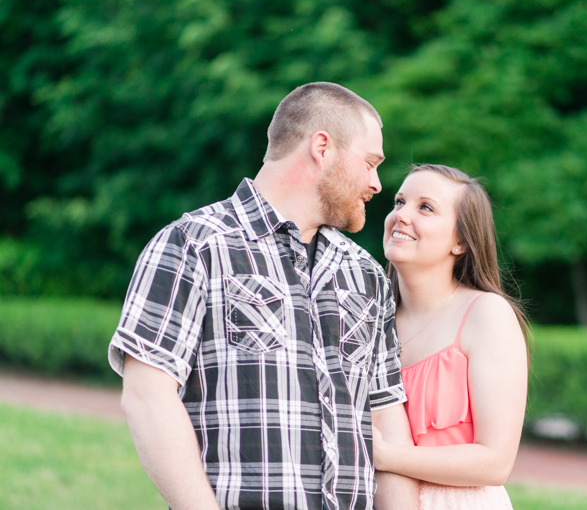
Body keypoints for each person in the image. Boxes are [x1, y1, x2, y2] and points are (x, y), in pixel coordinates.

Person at [108, 82, 419, 510]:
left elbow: (385, 414)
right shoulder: (192, 245)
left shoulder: (366, 274)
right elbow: (147, 396)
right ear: (322, 148)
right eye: (370, 163)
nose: (377, 183)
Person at [373, 164, 529, 508]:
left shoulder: (486, 315)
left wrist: (385, 456)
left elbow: (496, 462)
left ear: (460, 241)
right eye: (399, 202)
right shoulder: (368, 319)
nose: (401, 215)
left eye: (425, 207)